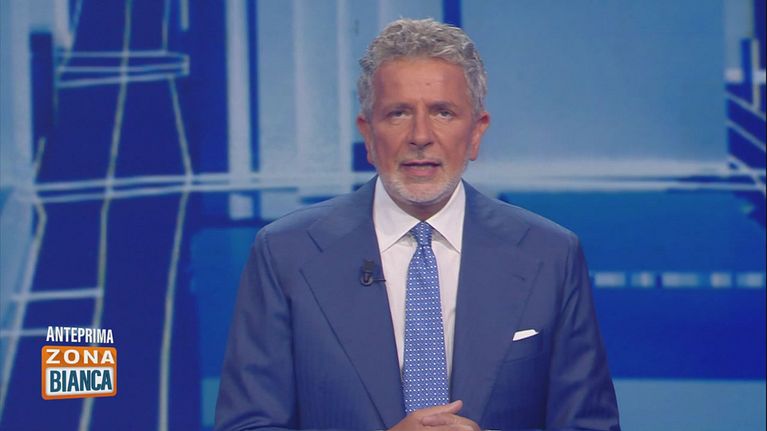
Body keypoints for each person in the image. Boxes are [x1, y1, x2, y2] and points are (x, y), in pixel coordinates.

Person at [215, 18, 620, 431]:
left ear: (476, 132)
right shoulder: (287, 253)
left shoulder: (549, 254)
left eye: (443, 113)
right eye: (398, 113)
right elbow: (247, 425)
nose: (420, 136)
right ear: (368, 134)